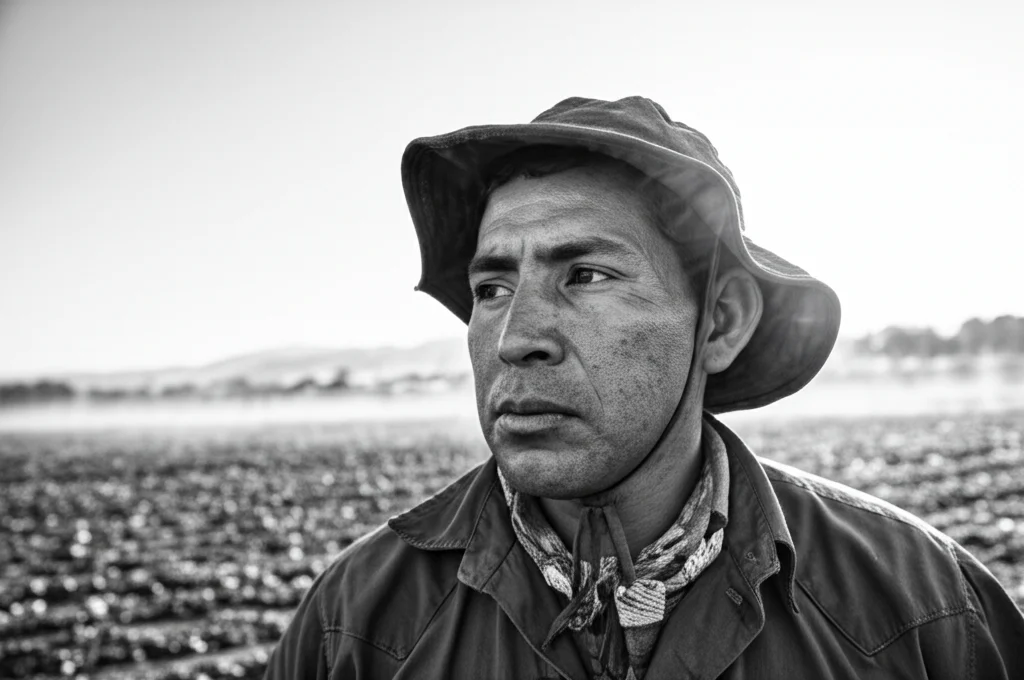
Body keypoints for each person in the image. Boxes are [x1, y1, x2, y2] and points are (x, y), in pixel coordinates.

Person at [264, 96, 1024, 679]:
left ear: (719, 322)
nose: (515, 335)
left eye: (586, 275)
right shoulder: (355, 624)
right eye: (492, 286)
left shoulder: (927, 613)